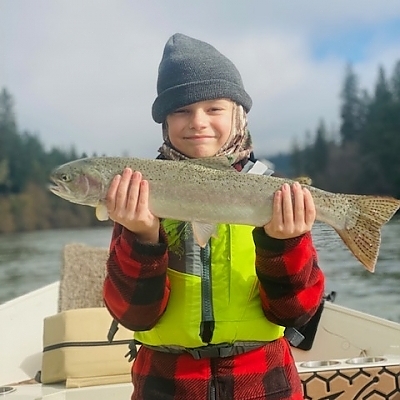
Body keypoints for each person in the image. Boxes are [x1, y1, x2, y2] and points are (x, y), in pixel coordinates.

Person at [103, 33, 325, 400]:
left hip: (265, 381)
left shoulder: (274, 192)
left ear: (239, 115)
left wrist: (283, 243)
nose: (197, 122)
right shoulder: (140, 194)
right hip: (166, 384)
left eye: (214, 109)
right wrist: (143, 237)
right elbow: (132, 315)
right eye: (181, 111)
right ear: (164, 122)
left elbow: (297, 312)